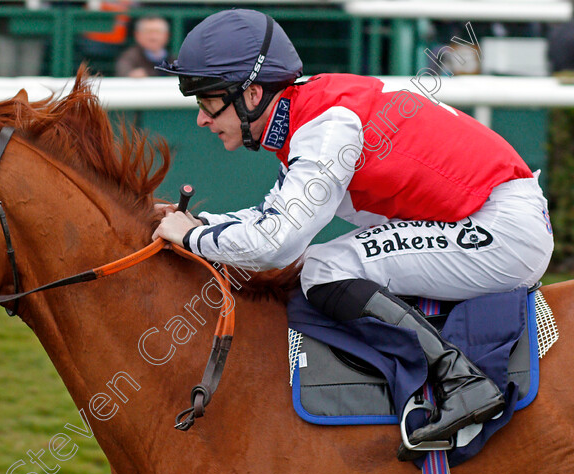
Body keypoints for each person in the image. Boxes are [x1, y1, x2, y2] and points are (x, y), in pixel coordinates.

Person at [154, 9, 553, 447]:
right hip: (491, 216)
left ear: (251, 94)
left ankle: (461, 380)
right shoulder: (312, 113)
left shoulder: (327, 125)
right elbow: (275, 215)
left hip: (502, 231)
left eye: (208, 101)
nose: (202, 119)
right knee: (328, 262)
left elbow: (275, 244)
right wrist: (201, 223)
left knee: (324, 268)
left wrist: (191, 237)